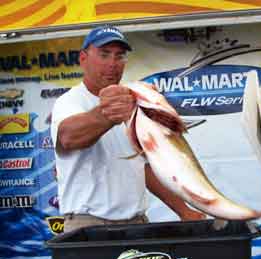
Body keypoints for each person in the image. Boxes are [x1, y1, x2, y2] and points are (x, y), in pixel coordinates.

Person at [51, 25, 205, 233]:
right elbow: (69, 138)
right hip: (87, 225)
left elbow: (143, 168)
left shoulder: (134, 103)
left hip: (137, 222)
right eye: (104, 55)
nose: (112, 64)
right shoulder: (69, 102)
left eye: (119, 56)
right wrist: (108, 112)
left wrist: (184, 211)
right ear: (83, 59)